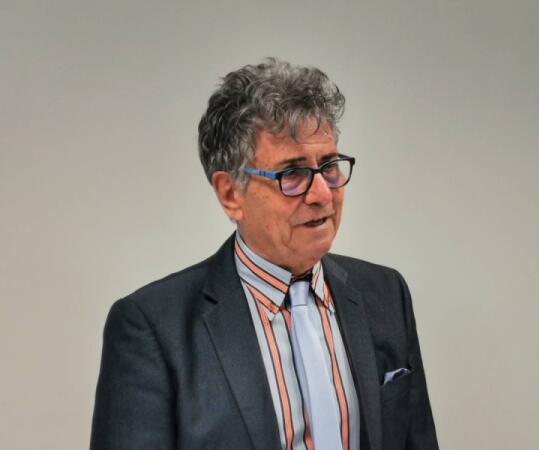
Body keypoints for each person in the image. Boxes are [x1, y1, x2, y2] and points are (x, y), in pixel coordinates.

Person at [91, 58, 438, 450]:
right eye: (292, 174)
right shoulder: (153, 328)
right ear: (230, 194)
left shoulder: (385, 294)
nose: (322, 194)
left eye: (329, 166)